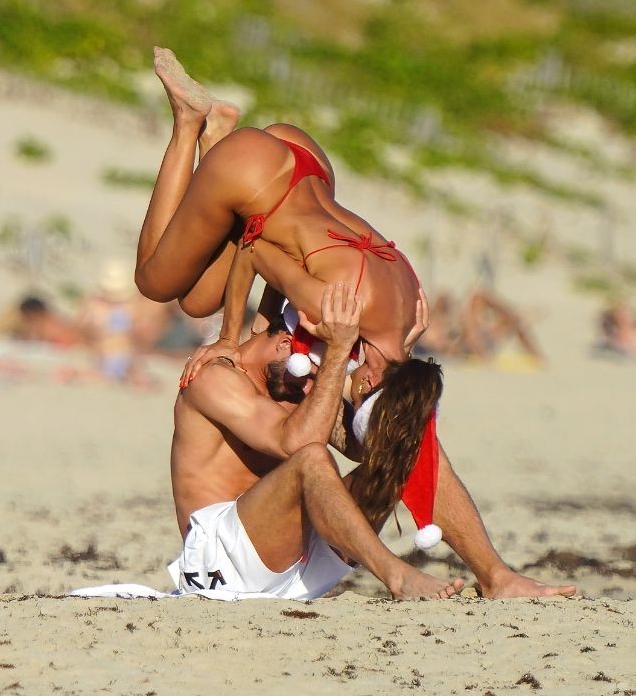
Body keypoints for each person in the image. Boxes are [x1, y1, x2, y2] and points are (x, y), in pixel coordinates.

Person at [170, 281, 576, 601]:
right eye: (312, 369)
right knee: (312, 459)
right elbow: (297, 446)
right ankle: (395, 575)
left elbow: (370, 444)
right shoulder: (216, 379)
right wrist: (337, 352)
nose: (312, 383)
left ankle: (496, 577)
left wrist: (395, 359)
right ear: (284, 344)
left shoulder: (292, 383)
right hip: (221, 563)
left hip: (291, 564)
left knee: (405, 443)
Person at [135, 47, 422, 386]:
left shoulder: (412, 307)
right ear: (372, 380)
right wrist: (228, 340)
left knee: (200, 301)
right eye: (358, 390)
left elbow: (295, 255)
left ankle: (216, 134)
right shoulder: (338, 311)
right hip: (256, 173)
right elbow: (255, 251)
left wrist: (262, 320)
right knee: (153, 282)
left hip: (311, 167)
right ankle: (188, 119)